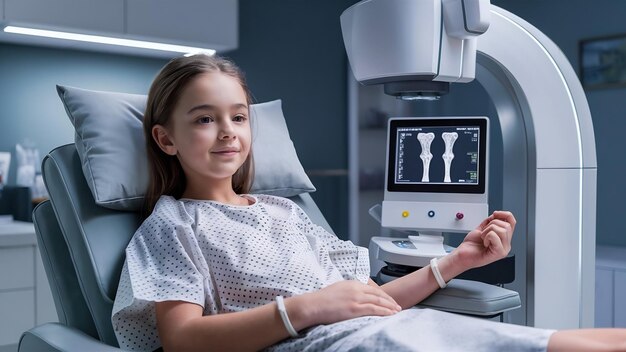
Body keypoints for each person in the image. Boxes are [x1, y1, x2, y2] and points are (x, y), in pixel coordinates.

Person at [112, 54, 626, 352]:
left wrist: (459, 261)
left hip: (380, 330)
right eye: (204, 119)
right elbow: (180, 339)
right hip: (327, 346)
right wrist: (306, 309)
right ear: (165, 139)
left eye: (239, 117)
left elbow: (365, 297)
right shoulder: (174, 224)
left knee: (555, 341)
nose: (227, 133)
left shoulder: (283, 211)